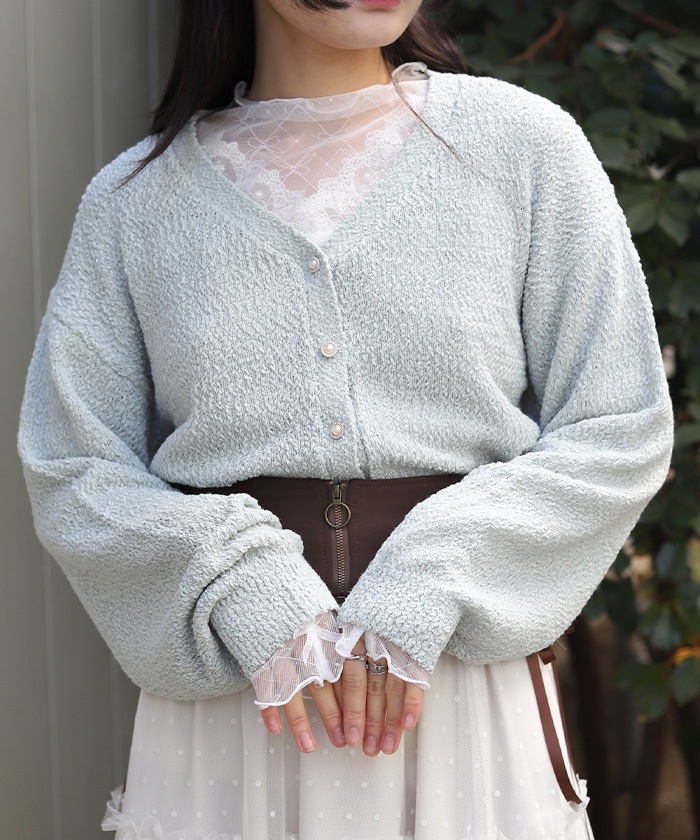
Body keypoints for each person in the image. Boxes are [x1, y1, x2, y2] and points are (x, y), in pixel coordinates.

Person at [17, 0, 674, 836]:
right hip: (236, 710)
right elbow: (73, 467)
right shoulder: (132, 203)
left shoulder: (523, 148)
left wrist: (432, 573)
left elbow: (618, 424)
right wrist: (244, 586)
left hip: (459, 698)